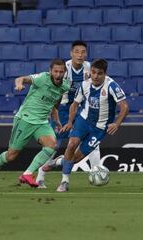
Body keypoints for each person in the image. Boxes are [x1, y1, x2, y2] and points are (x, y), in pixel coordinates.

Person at [0, 58, 70, 187]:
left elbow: (54, 105)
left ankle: (28, 173)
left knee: (51, 145)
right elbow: (21, 78)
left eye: (61, 72)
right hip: (25, 119)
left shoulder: (64, 86)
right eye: (56, 71)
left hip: (41, 122)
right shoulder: (42, 78)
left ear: (65, 72)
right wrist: (19, 84)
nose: (58, 75)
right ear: (50, 71)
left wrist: (57, 121)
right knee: (11, 156)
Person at [53, 59, 129, 192]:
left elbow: (124, 107)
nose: (95, 76)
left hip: (99, 128)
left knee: (75, 159)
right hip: (84, 120)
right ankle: (64, 182)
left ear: (105, 74)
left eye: (99, 73)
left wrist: (117, 124)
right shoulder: (85, 84)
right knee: (71, 144)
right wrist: (70, 122)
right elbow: (75, 105)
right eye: (93, 72)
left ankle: (58, 162)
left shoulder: (112, 86)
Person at [36, 40, 102, 188]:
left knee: (92, 142)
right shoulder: (62, 69)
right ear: (71, 53)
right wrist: (53, 113)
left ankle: (94, 174)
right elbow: (52, 91)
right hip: (63, 109)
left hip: (82, 110)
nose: (80, 55)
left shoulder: (90, 69)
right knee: (53, 145)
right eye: (77, 52)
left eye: (83, 52)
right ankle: (40, 177)